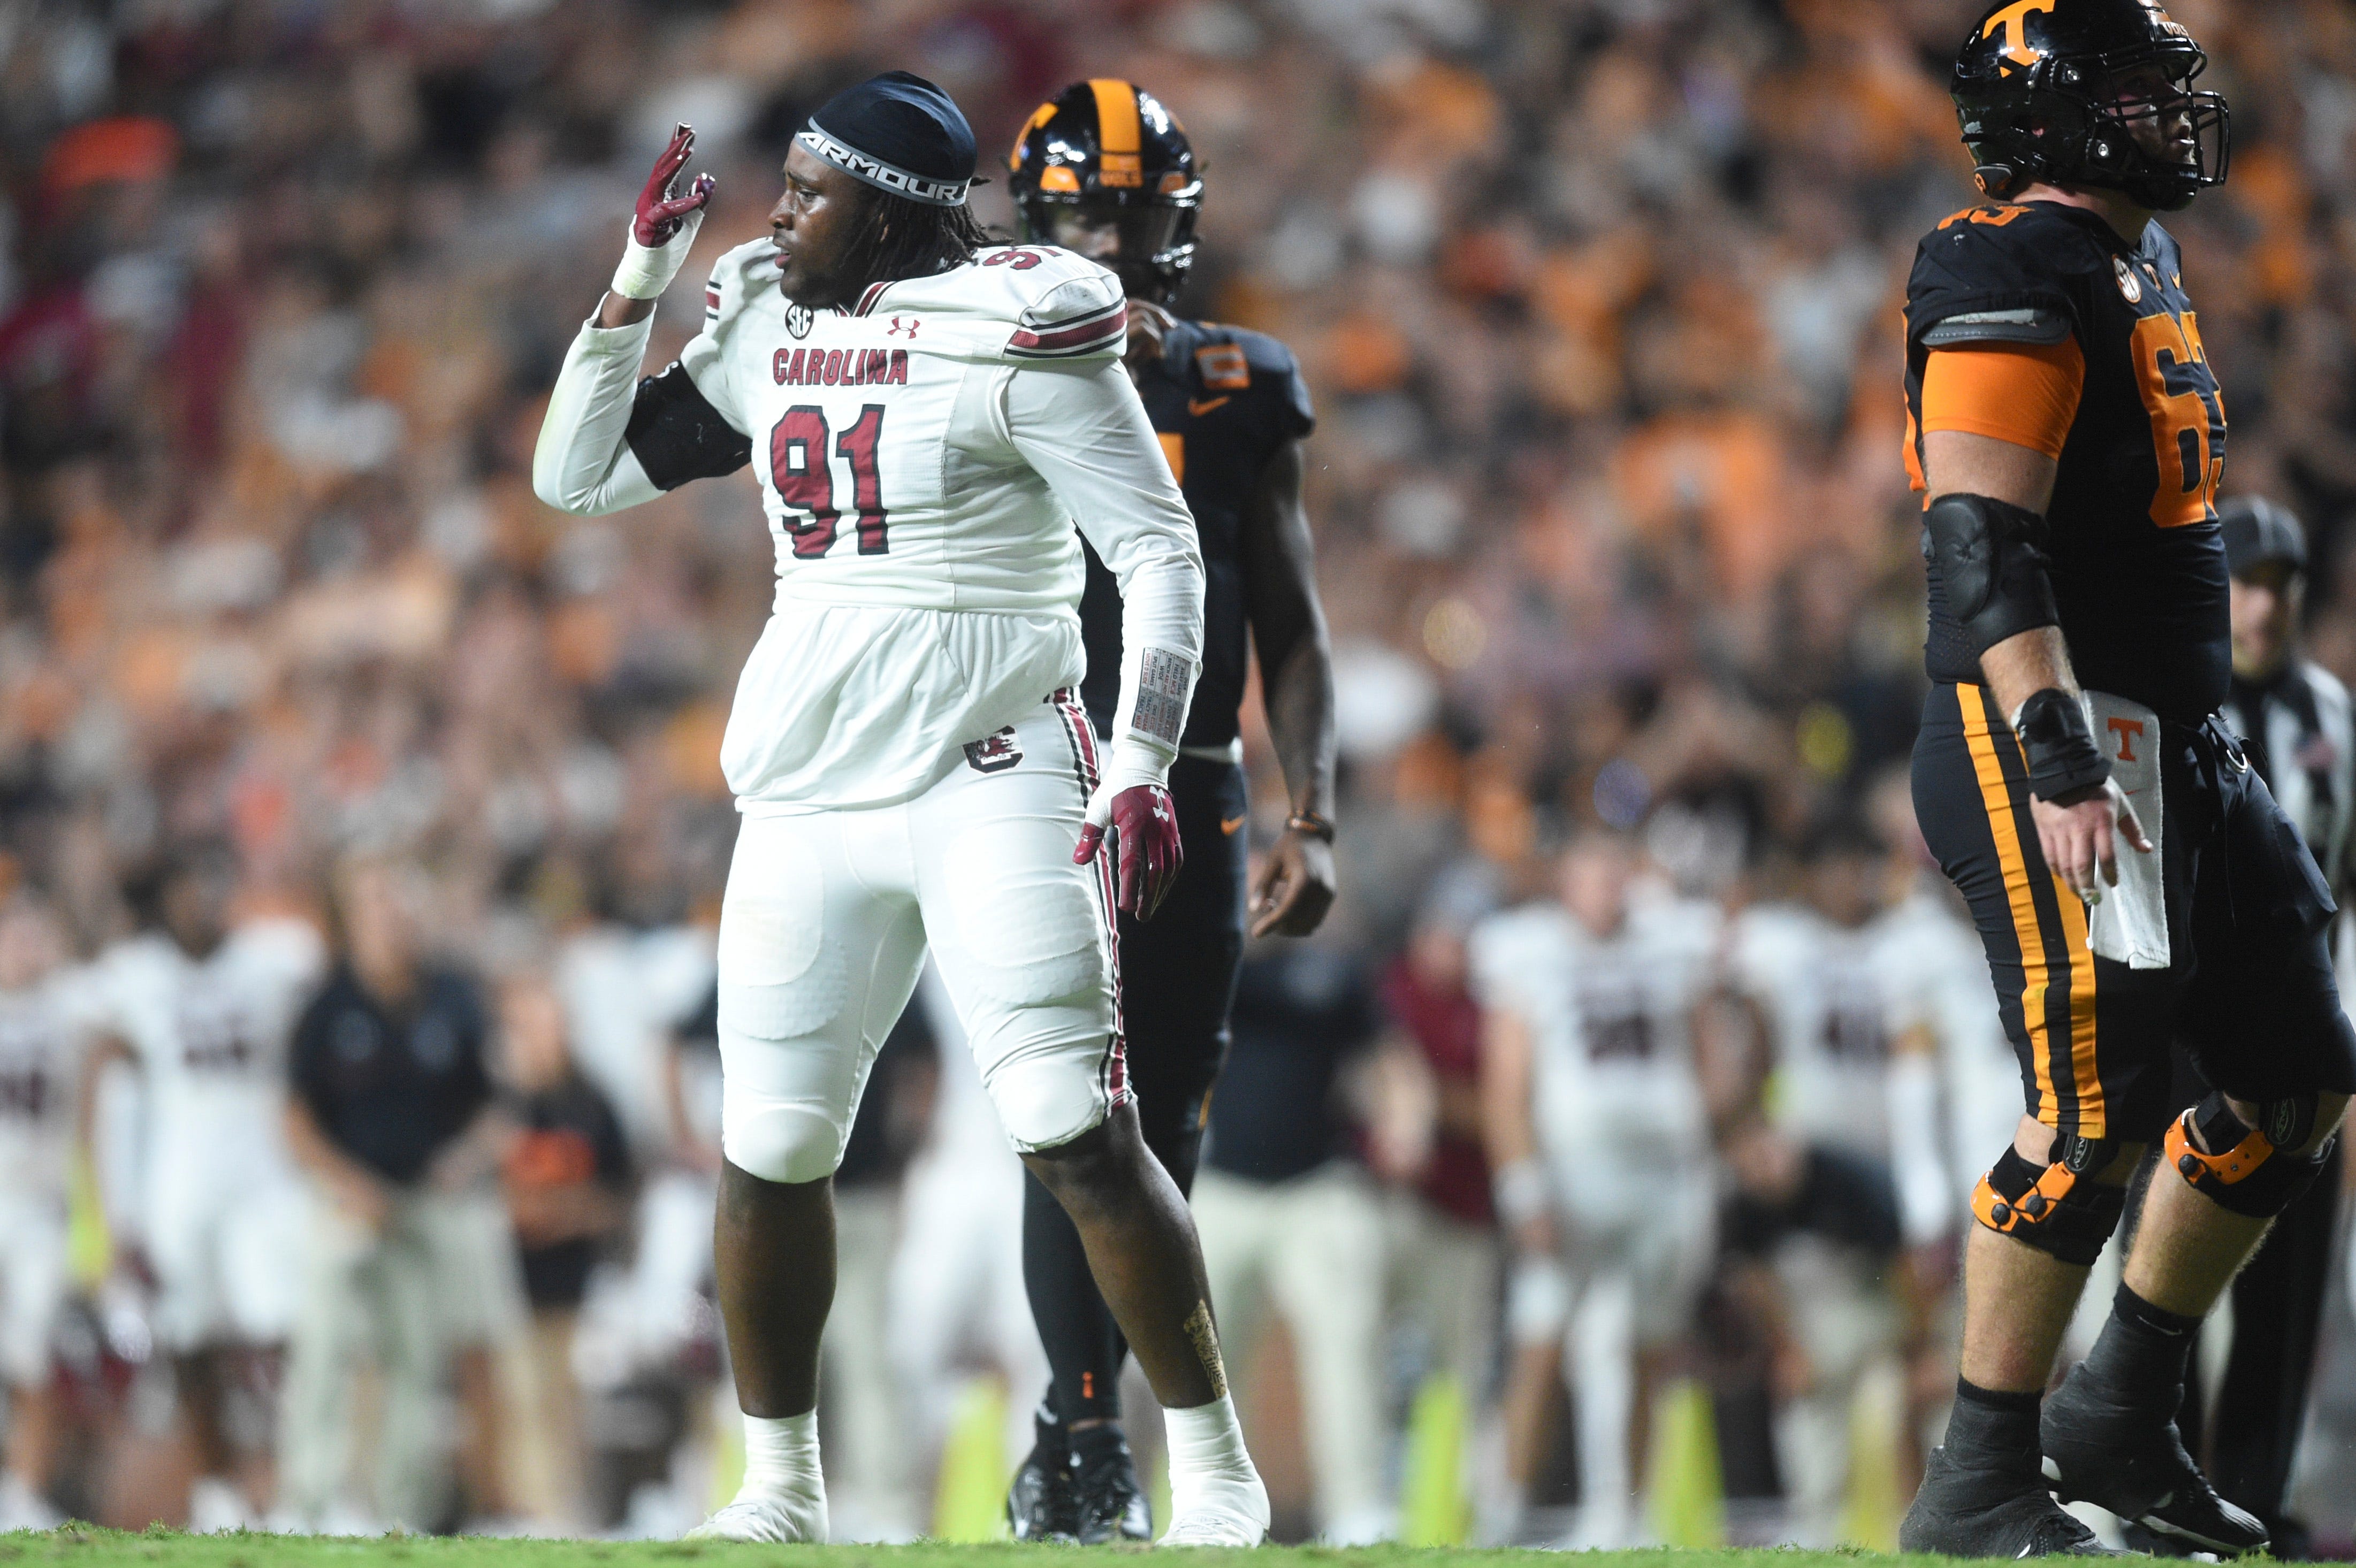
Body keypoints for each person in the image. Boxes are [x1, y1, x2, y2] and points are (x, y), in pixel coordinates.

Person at [531, 73, 1268, 1544]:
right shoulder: (770, 322)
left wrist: (1135, 761)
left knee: (1072, 1124)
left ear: (889, 214)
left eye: (808, 193)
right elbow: (575, 475)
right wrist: (638, 281)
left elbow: (1159, 553)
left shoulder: (1021, 328)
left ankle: (1213, 1470)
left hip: (994, 763)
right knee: (771, 1143)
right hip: (808, 784)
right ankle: (779, 1487)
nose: (778, 214)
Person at [1898, 4, 2354, 1555]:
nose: (2173, 115)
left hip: (2182, 732)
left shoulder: (2130, 256)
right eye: (2135, 92)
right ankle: (1977, 1475)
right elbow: (1977, 534)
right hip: (2068, 733)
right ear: (2050, 115)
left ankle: (2123, 1403)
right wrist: (2054, 744)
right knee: (2085, 1108)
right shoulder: (1999, 262)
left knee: (2297, 1066)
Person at [997, 77, 1339, 1543]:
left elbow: (1294, 625)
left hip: (1190, 786)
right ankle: (1078, 1433)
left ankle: (1103, 1433)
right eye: (1089, 214)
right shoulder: (986, 359)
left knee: (1166, 1129)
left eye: (1140, 218)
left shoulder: (1235, 385)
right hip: (1033, 775)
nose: (1119, 245)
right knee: (1068, 1111)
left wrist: (1308, 812)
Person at [2166, 496, 2351, 1554]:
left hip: (2303, 1018)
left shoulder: (2334, 714)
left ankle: (2253, 1496)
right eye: (2243, 582)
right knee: (2173, 1264)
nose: (2261, 605)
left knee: (2286, 1278)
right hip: (2193, 1025)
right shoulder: (2173, 697)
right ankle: (2169, 1485)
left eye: (2278, 585)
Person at [1474, 828, 1718, 1548]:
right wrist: (1523, 1188)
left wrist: (1709, 1138)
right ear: (1563, 879)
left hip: (1664, 1173)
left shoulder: (1673, 943)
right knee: (1540, 1338)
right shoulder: (1527, 948)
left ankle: (1625, 1511)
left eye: (1616, 871)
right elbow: (1504, 1085)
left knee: (1650, 1343)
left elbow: (1711, 1053)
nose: (1606, 887)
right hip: (1573, 1170)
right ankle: (1503, 1508)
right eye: (1591, 871)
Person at [76, 841, 324, 1530]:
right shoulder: (137, 974)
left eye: (215, 883)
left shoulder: (275, 959)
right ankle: (220, 1482)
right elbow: (101, 1065)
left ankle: (285, 1481)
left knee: (281, 1333)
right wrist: (105, 1199)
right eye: (190, 885)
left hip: (266, 1172)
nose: (205, 899)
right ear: (164, 899)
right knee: (188, 1342)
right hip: (179, 1180)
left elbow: (321, 1036)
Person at [277, 855, 512, 1530]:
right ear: (350, 918)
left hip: (423, 1204)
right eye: (375, 901)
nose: (390, 914)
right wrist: (348, 1185)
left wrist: (464, 1161)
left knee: (418, 1358)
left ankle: (399, 1513)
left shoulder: (452, 996)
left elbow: (495, 1106)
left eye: (399, 899)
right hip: (346, 1205)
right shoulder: (326, 1006)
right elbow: (294, 1119)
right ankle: (307, 1505)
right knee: (324, 1349)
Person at [1189, 920, 1389, 1544]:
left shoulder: (1334, 971)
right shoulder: (1210, 968)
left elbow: (1383, 1055)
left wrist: (1404, 1114)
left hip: (1317, 1186)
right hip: (1219, 1185)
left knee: (1347, 1340)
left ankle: (1355, 1510)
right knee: (1196, 1362)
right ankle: (1202, 1509)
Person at [498, 966, 634, 1533]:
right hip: (505, 1286)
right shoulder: (496, 1105)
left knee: (565, 1405)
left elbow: (622, 1195)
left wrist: (572, 1212)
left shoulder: (591, 1102)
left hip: (574, 1286)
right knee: (517, 1401)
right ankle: (522, 1511)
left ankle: (564, 1513)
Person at [0, 894, 89, 1529]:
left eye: (37, 938)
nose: (27, 951)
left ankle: (25, 1495)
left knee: (33, 1354)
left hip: (38, 1208)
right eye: (16, 937)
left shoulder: (73, 1009)